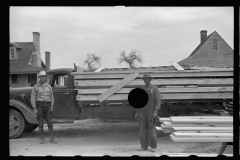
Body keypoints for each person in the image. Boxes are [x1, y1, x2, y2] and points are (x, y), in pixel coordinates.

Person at [135, 74, 160, 152]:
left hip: (151, 112)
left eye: (147, 79)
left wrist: (155, 112)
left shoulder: (154, 89)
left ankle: (153, 146)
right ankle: (144, 146)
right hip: (142, 112)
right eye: (145, 79)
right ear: (143, 80)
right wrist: (137, 112)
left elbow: (158, 102)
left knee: (151, 129)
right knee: (143, 130)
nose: (146, 80)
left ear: (150, 79)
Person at [31, 70, 57, 144]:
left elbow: (52, 96)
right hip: (39, 106)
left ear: (45, 77)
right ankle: (41, 139)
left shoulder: (49, 86)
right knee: (40, 123)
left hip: (48, 105)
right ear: (39, 78)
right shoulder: (35, 87)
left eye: (44, 76)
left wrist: (52, 105)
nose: (43, 78)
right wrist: (34, 108)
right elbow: (33, 97)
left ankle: (52, 138)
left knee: (50, 122)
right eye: (41, 77)